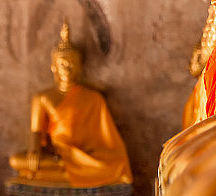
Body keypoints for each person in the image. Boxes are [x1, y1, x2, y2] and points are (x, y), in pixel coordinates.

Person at [9, 21, 132, 187]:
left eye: (72, 64)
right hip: (57, 155)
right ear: (54, 67)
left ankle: (64, 172)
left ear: (80, 67)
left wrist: (85, 158)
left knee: (116, 163)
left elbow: (107, 140)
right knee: (16, 161)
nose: (67, 68)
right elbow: (36, 132)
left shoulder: (93, 98)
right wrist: (34, 151)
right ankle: (69, 171)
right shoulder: (43, 98)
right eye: (63, 64)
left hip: (87, 156)